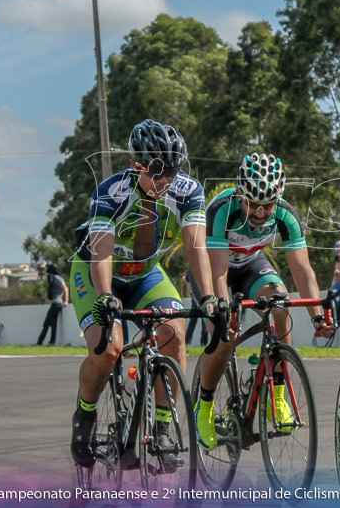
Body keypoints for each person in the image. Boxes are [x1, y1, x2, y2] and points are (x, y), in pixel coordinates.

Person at [68, 119, 224, 468]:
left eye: (172, 170)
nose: (165, 178)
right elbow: (102, 253)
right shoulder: (110, 192)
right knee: (108, 349)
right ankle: (86, 414)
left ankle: (164, 426)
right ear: (135, 164)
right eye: (156, 170)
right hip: (98, 271)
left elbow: (196, 248)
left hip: (146, 274)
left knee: (173, 333)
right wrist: (106, 296)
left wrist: (209, 298)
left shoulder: (188, 191)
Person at [194, 153, 333, 450]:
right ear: (240, 194)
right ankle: (203, 405)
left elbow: (303, 270)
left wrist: (317, 316)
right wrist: (223, 312)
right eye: (252, 204)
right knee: (226, 339)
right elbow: (218, 271)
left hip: (250, 263)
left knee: (281, 305)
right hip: (214, 268)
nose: (259, 213)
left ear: (278, 197)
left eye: (267, 205)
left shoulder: (285, 214)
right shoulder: (222, 208)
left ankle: (278, 394)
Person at [37, 263, 69, 345]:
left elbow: (65, 288)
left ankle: (41, 342)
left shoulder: (56, 278)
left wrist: (66, 301)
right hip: (55, 303)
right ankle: (51, 341)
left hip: (57, 303)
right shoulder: (53, 278)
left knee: (47, 323)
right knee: (52, 323)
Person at [185, 273, 209, 346]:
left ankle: (190, 341)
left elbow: (187, 279)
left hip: (200, 300)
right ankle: (202, 343)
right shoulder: (195, 272)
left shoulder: (192, 271)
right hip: (200, 300)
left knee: (199, 323)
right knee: (201, 322)